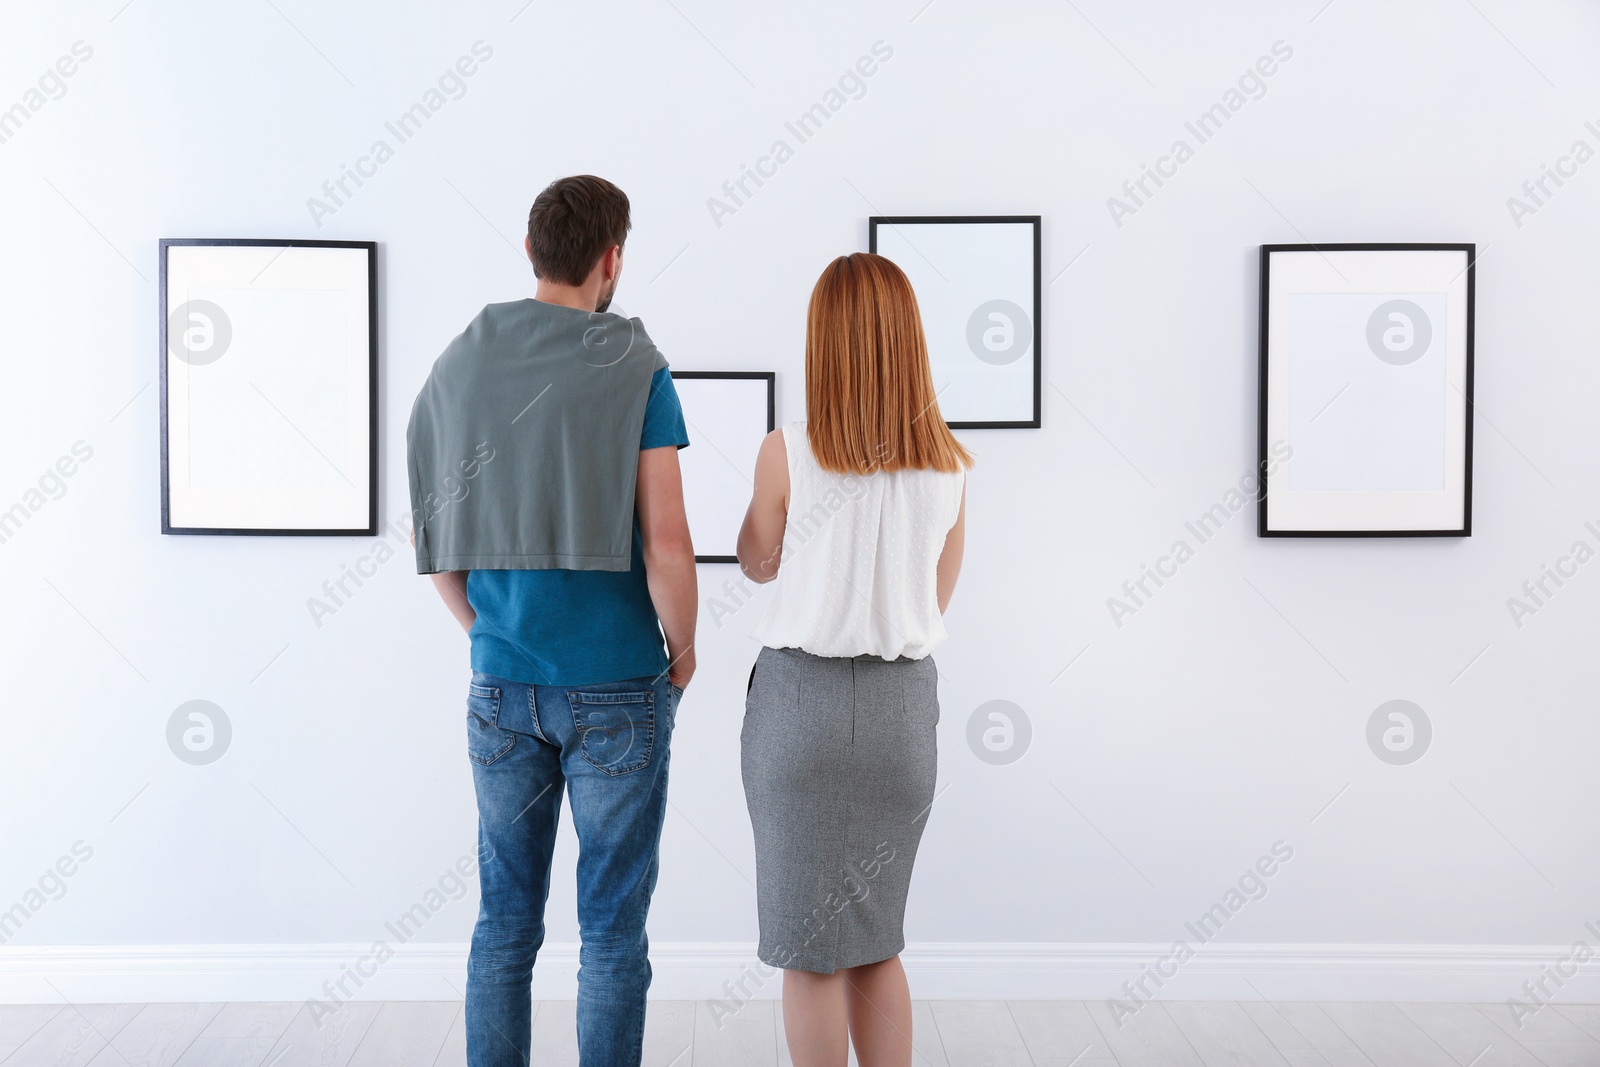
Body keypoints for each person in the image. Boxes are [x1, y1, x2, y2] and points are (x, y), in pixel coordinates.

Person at [406, 175, 697, 1066]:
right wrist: (681, 653)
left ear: (534, 253)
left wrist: (485, 632)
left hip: (501, 686)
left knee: (503, 925)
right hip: (617, 683)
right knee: (610, 934)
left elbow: (436, 544)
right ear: (611, 260)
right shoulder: (637, 365)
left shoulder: (462, 361)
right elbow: (669, 544)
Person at [735, 252, 972, 1066]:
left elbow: (757, 560)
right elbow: (933, 598)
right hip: (903, 718)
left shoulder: (786, 450)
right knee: (876, 939)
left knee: (810, 948)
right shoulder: (950, 466)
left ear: (822, 344)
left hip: (799, 709)